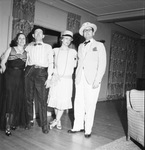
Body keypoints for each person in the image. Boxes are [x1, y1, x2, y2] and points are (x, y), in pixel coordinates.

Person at [68, 22, 107, 138]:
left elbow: (102, 64)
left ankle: (87, 129)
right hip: (80, 78)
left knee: (90, 104)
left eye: (89, 30)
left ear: (93, 32)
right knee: (78, 102)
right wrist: (76, 78)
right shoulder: (80, 46)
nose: (87, 32)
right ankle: (77, 126)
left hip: (92, 79)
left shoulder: (99, 45)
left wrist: (97, 80)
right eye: (85, 30)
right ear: (83, 33)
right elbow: (79, 63)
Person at [25, 28, 53, 134]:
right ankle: (29, 121)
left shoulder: (48, 47)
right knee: (28, 98)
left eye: (40, 32)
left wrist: (49, 78)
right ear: (33, 35)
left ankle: (44, 125)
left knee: (42, 100)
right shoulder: (28, 47)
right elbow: (26, 61)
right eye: (36, 32)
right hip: (29, 72)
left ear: (43, 36)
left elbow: (51, 63)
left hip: (42, 73)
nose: (38, 34)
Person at [0, 32, 29, 136]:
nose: (22, 40)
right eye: (20, 38)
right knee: (9, 100)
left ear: (25, 41)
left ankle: (13, 122)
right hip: (9, 78)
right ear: (17, 40)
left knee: (17, 100)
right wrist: (3, 72)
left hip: (20, 79)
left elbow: (25, 67)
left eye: (23, 38)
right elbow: (3, 62)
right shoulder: (10, 49)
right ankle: (7, 125)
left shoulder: (26, 53)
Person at [48, 30, 77, 130]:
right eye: (66, 38)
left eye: (69, 39)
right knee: (56, 101)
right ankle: (58, 120)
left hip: (67, 81)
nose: (67, 41)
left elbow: (75, 65)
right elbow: (50, 63)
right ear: (62, 39)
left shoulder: (73, 52)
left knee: (63, 102)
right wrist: (52, 74)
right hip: (56, 79)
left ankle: (55, 121)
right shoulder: (54, 50)